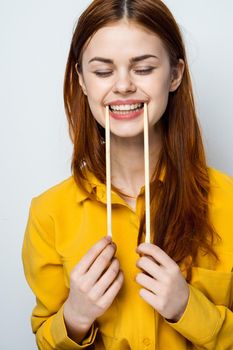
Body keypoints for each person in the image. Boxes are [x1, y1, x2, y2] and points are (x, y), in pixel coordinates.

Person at [22, 0, 233, 349]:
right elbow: (44, 338)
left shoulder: (228, 201)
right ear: (82, 80)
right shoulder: (49, 214)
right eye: (103, 72)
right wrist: (74, 317)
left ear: (175, 74)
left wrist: (188, 308)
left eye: (144, 68)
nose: (122, 86)